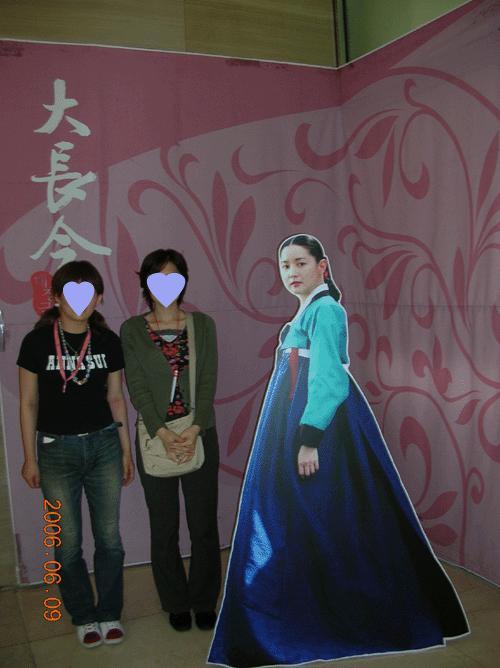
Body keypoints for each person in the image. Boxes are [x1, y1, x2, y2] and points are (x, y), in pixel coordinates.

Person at [208, 234, 469, 667]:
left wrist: (309, 440)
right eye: (285, 265)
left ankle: (331, 612)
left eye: (300, 263)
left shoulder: (326, 310)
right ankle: (305, 606)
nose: (292, 272)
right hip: (295, 424)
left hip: (320, 429)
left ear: (322, 267)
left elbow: (328, 378)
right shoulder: (309, 309)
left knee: (323, 519)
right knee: (307, 521)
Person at [18, 260, 134, 649]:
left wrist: (125, 451)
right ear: (55, 297)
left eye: (88, 293)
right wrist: (30, 457)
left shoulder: (108, 341)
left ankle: (110, 612)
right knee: (67, 543)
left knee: (110, 538)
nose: (80, 301)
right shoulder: (36, 343)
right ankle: (83, 615)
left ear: (98, 298)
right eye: (70, 292)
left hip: (104, 446)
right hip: (55, 451)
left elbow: (116, 398)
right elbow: (28, 403)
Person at [120, 248, 221, 632]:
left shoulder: (203, 325)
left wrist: (194, 430)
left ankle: (204, 598)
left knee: (203, 523)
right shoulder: (132, 329)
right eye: (156, 277)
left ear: (183, 281)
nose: (165, 284)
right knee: (164, 527)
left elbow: (208, 379)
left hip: (200, 432)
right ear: (145, 284)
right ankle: (176, 601)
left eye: (173, 276)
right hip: (155, 436)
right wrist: (162, 432)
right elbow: (137, 386)